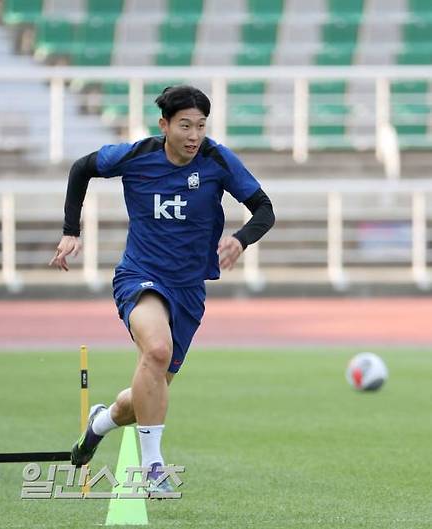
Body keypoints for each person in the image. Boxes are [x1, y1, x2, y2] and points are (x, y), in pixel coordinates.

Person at [50, 85, 275, 496]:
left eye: (201, 126)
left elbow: (265, 208)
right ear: (164, 125)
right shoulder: (136, 156)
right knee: (156, 351)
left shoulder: (217, 159)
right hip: (140, 275)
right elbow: (81, 168)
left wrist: (241, 239)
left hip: (189, 289)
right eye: (185, 125)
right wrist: (70, 232)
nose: (194, 135)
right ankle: (153, 468)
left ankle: (100, 422)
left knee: (149, 388)